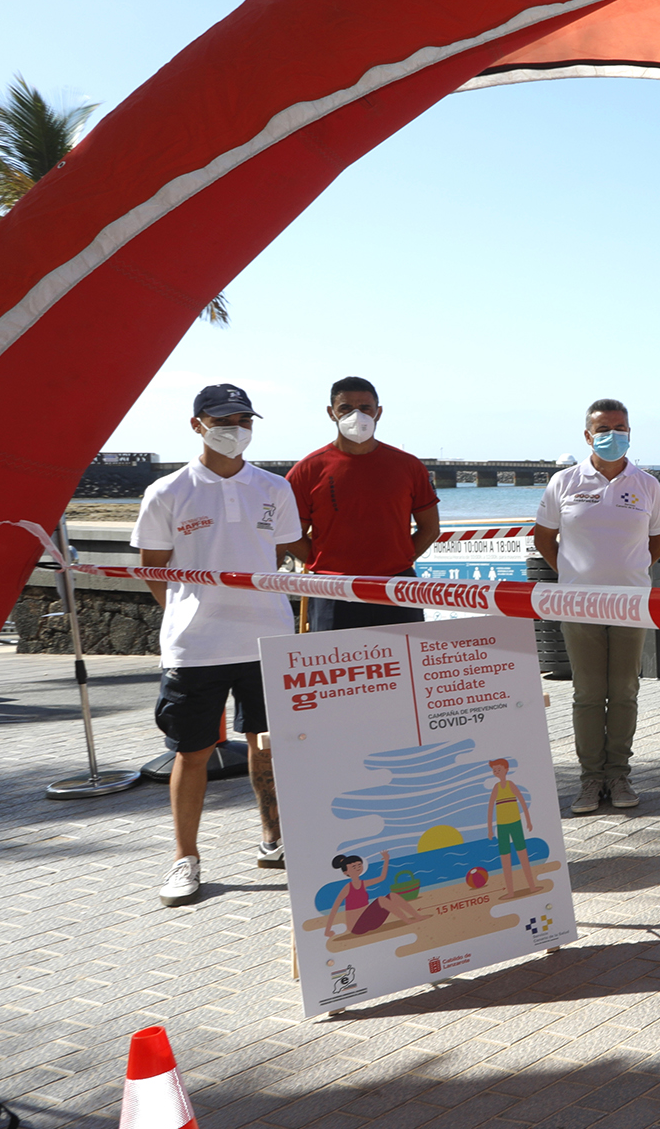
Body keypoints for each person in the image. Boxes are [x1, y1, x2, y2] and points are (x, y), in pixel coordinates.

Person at [134, 383, 303, 906]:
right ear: (197, 425)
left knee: (267, 743)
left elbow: (285, 554)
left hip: (267, 637)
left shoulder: (273, 488)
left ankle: (276, 841)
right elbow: (151, 569)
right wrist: (183, 614)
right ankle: (186, 860)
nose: (235, 429)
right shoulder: (167, 491)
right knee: (192, 751)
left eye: (244, 420)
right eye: (223, 419)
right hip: (197, 646)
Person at [534, 399, 660, 815]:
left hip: (630, 605)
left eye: (621, 426)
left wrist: (626, 573)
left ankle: (619, 774)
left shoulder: (647, 484)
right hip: (578, 605)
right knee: (589, 694)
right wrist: (574, 575)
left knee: (625, 691)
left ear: (630, 432)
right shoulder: (564, 482)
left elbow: (657, 543)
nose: (614, 434)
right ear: (588, 435)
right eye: (604, 428)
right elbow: (544, 539)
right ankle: (591, 779)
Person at [285, 375, 441, 629]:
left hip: (397, 586)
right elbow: (291, 533)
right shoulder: (307, 470)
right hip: (332, 589)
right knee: (335, 664)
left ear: (378, 412)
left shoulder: (408, 466)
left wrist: (400, 560)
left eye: (365, 408)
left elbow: (430, 528)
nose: (356, 415)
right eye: (345, 408)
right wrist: (324, 562)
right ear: (331, 413)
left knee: (404, 664)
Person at [322, 852, 422, 939]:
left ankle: (417, 916)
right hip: (357, 927)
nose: (357, 868)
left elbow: (382, 878)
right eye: (354, 867)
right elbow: (335, 908)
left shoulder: (363, 883)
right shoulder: (347, 888)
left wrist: (386, 860)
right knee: (381, 900)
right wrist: (327, 930)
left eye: (359, 865)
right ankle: (407, 920)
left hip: (371, 922)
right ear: (345, 872)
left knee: (392, 895)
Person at [483, 757, 541, 894]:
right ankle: (510, 892)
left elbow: (522, 801)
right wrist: (490, 829)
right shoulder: (496, 788)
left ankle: (532, 886)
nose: (497, 772)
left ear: (506, 770)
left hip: (515, 824)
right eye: (494, 770)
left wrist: (528, 820)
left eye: (499, 769)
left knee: (522, 855)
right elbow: (490, 808)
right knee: (505, 858)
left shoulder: (511, 785)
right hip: (502, 826)